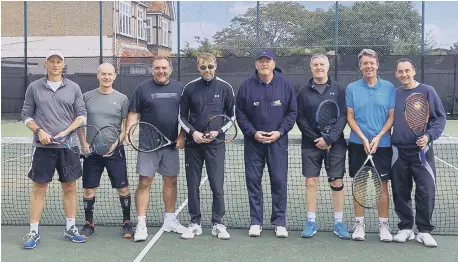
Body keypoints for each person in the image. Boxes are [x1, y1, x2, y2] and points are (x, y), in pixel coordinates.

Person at [21, 50, 87, 248]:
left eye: (59, 61)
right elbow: (26, 115)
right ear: (46, 65)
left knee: (70, 187)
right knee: (39, 189)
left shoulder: (74, 87)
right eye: (52, 61)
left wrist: (67, 131)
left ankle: (70, 228)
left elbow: (82, 116)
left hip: (69, 147)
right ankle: (33, 232)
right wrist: (39, 131)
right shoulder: (34, 87)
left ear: (63, 65)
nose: (55, 64)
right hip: (43, 148)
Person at [236, 50, 297, 238]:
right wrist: (253, 133)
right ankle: (256, 221)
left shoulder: (286, 84)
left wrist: (279, 132)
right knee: (253, 182)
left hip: (278, 142)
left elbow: (292, 112)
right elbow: (240, 114)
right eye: (260, 61)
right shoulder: (246, 86)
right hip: (254, 143)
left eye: (267, 61)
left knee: (279, 181)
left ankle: (279, 222)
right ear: (256, 64)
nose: (264, 64)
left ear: (273, 63)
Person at [126, 56, 187, 242]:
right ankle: (141, 224)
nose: (161, 71)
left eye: (164, 68)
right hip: (147, 145)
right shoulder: (142, 88)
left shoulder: (180, 89)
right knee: (145, 182)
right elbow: (133, 113)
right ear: (152, 69)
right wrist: (129, 132)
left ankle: (169, 220)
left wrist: (182, 135)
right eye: (157, 68)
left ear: (170, 69)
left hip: (170, 145)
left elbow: (186, 115)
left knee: (171, 181)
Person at [178, 53, 235, 240]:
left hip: (216, 145)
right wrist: (193, 133)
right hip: (193, 145)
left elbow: (232, 116)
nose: (207, 70)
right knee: (193, 185)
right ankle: (195, 223)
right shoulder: (189, 88)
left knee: (216, 185)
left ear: (215, 66)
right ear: (198, 68)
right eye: (203, 67)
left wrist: (217, 132)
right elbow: (182, 116)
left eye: (210, 66)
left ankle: (218, 223)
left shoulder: (226, 88)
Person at [391, 58, 446, 247]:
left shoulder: (428, 91)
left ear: (414, 71)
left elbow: (439, 119)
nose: (404, 74)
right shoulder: (394, 94)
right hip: (398, 151)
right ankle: (405, 228)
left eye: (407, 70)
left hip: (422, 152)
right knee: (400, 191)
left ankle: (424, 231)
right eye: (400, 71)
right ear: (396, 74)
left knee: (425, 191)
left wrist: (429, 136)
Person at [296, 54, 350, 239]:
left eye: (322, 64)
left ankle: (338, 223)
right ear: (311, 67)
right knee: (311, 182)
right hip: (311, 145)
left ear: (328, 66)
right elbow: (300, 118)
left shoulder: (339, 89)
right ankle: (311, 222)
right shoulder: (303, 91)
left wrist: (330, 139)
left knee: (336, 182)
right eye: (316, 65)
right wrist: (316, 139)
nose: (319, 67)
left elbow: (343, 115)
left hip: (335, 145)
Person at [79, 63, 133, 239]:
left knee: (123, 188)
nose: (107, 77)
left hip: (115, 151)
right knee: (88, 189)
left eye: (110, 74)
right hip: (91, 151)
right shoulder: (86, 97)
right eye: (103, 74)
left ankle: (126, 223)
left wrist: (117, 143)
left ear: (115, 76)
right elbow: (79, 122)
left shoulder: (123, 99)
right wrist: (83, 143)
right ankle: (89, 224)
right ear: (98, 75)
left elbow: (126, 127)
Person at [346, 49, 395, 242]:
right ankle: (359, 224)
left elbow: (391, 117)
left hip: (382, 145)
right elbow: (350, 116)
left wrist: (379, 136)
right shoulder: (352, 88)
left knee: (382, 186)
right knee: (358, 185)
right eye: (365, 63)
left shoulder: (389, 87)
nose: (369, 66)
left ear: (377, 65)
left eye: (372, 63)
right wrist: (364, 138)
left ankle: (383, 225)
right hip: (358, 144)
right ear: (360, 66)